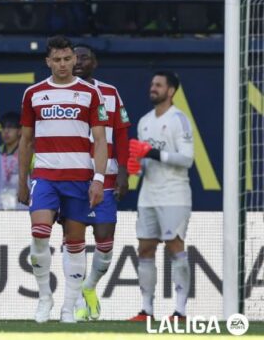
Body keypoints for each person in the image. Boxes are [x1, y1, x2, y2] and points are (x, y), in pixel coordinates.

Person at [17, 35, 109, 323]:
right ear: (48, 62)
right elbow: (26, 141)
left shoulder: (90, 94)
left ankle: (69, 307)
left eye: (67, 58)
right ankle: (44, 298)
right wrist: (22, 180)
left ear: (74, 59)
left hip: (80, 178)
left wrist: (99, 178)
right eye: (57, 59)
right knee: (39, 233)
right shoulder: (33, 93)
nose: (63, 64)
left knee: (75, 242)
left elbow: (100, 139)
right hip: (45, 176)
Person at [68, 43, 131, 321]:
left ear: (95, 62)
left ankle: (90, 286)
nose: (79, 61)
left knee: (105, 240)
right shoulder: (59, 93)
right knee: (73, 240)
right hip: (71, 175)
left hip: (105, 174)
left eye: (84, 57)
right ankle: (74, 303)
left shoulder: (110, 93)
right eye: (74, 57)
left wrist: (124, 172)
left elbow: (121, 135)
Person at [127, 71, 194, 322]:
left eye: (158, 85)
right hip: (148, 195)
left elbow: (187, 159)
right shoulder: (144, 121)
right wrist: (136, 165)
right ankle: (147, 310)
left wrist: (152, 153)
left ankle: (180, 311)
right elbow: (145, 160)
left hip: (174, 194)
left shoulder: (179, 120)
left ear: (171, 91)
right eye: (152, 83)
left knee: (175, 247)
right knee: (144, 249)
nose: (152, 88)